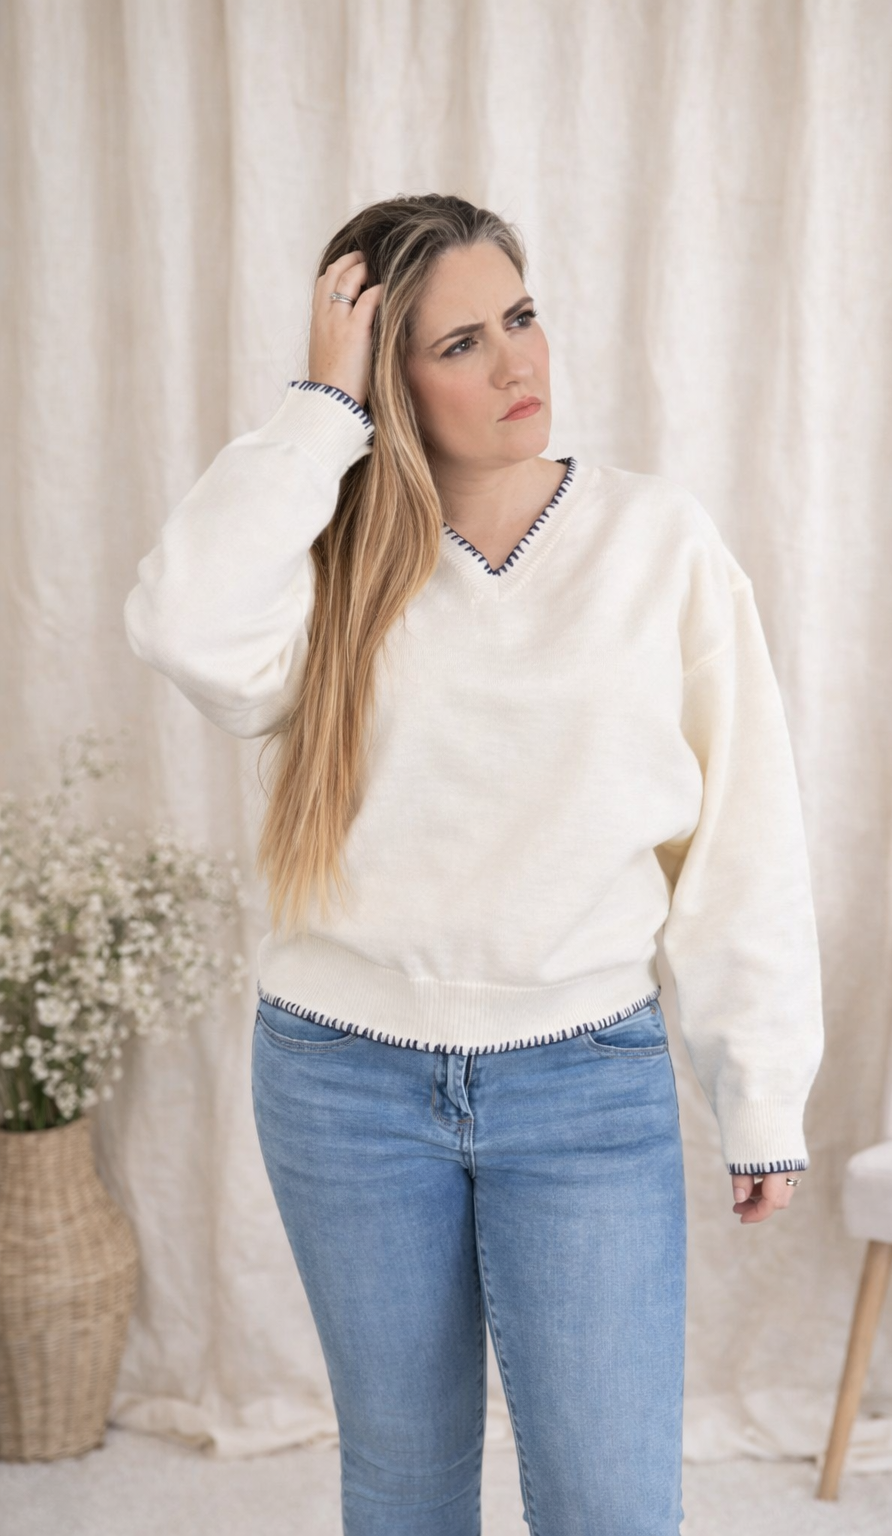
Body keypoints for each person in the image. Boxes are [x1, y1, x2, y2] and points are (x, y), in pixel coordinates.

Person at [124, 193, 824, 1536]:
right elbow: (177, 622)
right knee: (402, 1484)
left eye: (522, 317)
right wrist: (320, 414)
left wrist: (762, 1084)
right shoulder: (319, 559)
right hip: (341, 1079)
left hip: (585, 1080)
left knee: (611, 1505)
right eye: (458, 344)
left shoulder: (658, 543)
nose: (518, 365)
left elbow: (745, 830)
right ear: (391, 378)